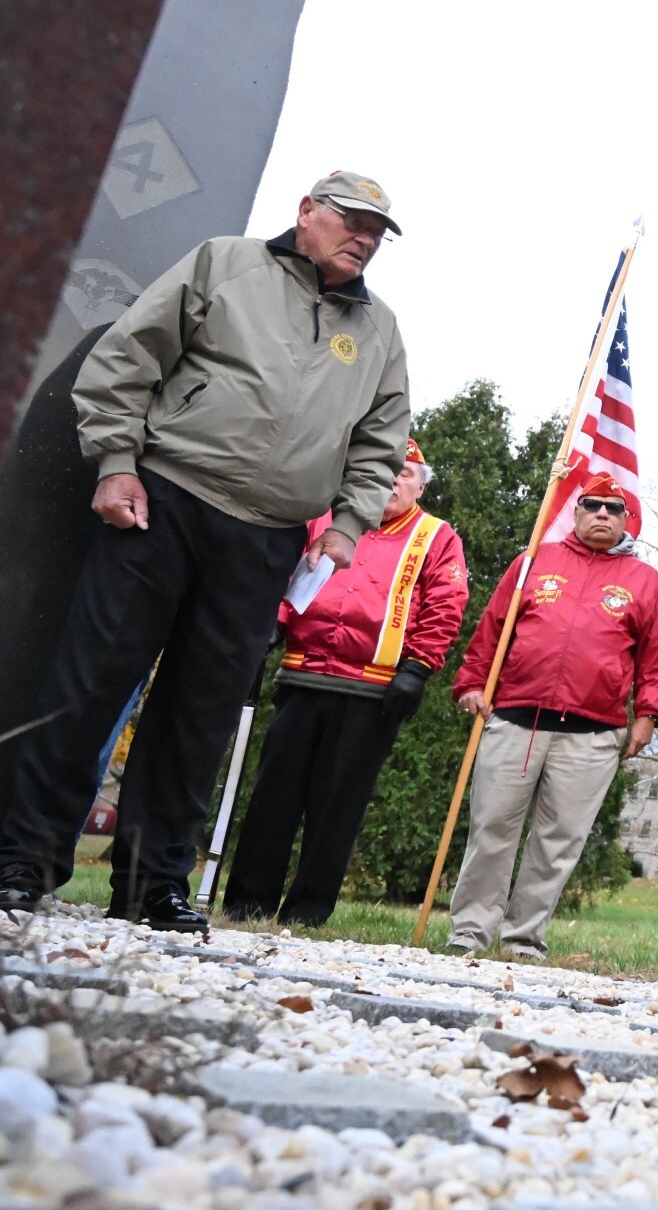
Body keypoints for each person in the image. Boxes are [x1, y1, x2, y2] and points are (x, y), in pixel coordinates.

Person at [0, 171, 411, 929]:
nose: (364, 237)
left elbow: (380, 443)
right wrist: (118, 461)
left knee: (202, 713)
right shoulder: (223, 264)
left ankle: (151, 882)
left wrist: (348, 528)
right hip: (163, 503)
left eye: (377, 231)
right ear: (307, 212)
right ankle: (23, 858)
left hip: (268, 538)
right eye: (351, 219)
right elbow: (125, 360)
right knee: (89, 685)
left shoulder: (379, 332)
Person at [222, 438, 468, 926]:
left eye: (406, 473)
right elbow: (283, 576)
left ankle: (307, 913)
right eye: (385, 470)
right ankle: (247, 905)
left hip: (372, 691)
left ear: (420, 485)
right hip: (302, 675)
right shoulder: (324, 520)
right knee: (274, 796)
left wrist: (417, 669)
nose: (394, 480)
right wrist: (270, 624)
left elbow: (445, 605)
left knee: (338, 808)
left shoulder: (437, 538)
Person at [448, 474, 658, 960]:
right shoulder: (533, 562)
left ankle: (524, 937)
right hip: (515, 719)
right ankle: (468, 932)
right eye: (592, 505)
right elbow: (492, 628)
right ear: (575, 511)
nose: (602, 515)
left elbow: (655, 661)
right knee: (491, 830)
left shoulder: (646, 582)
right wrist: (470, 682)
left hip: (593, 733)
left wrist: (648, 715)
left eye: (614, 509)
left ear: (627, 520)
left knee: (559, 840)